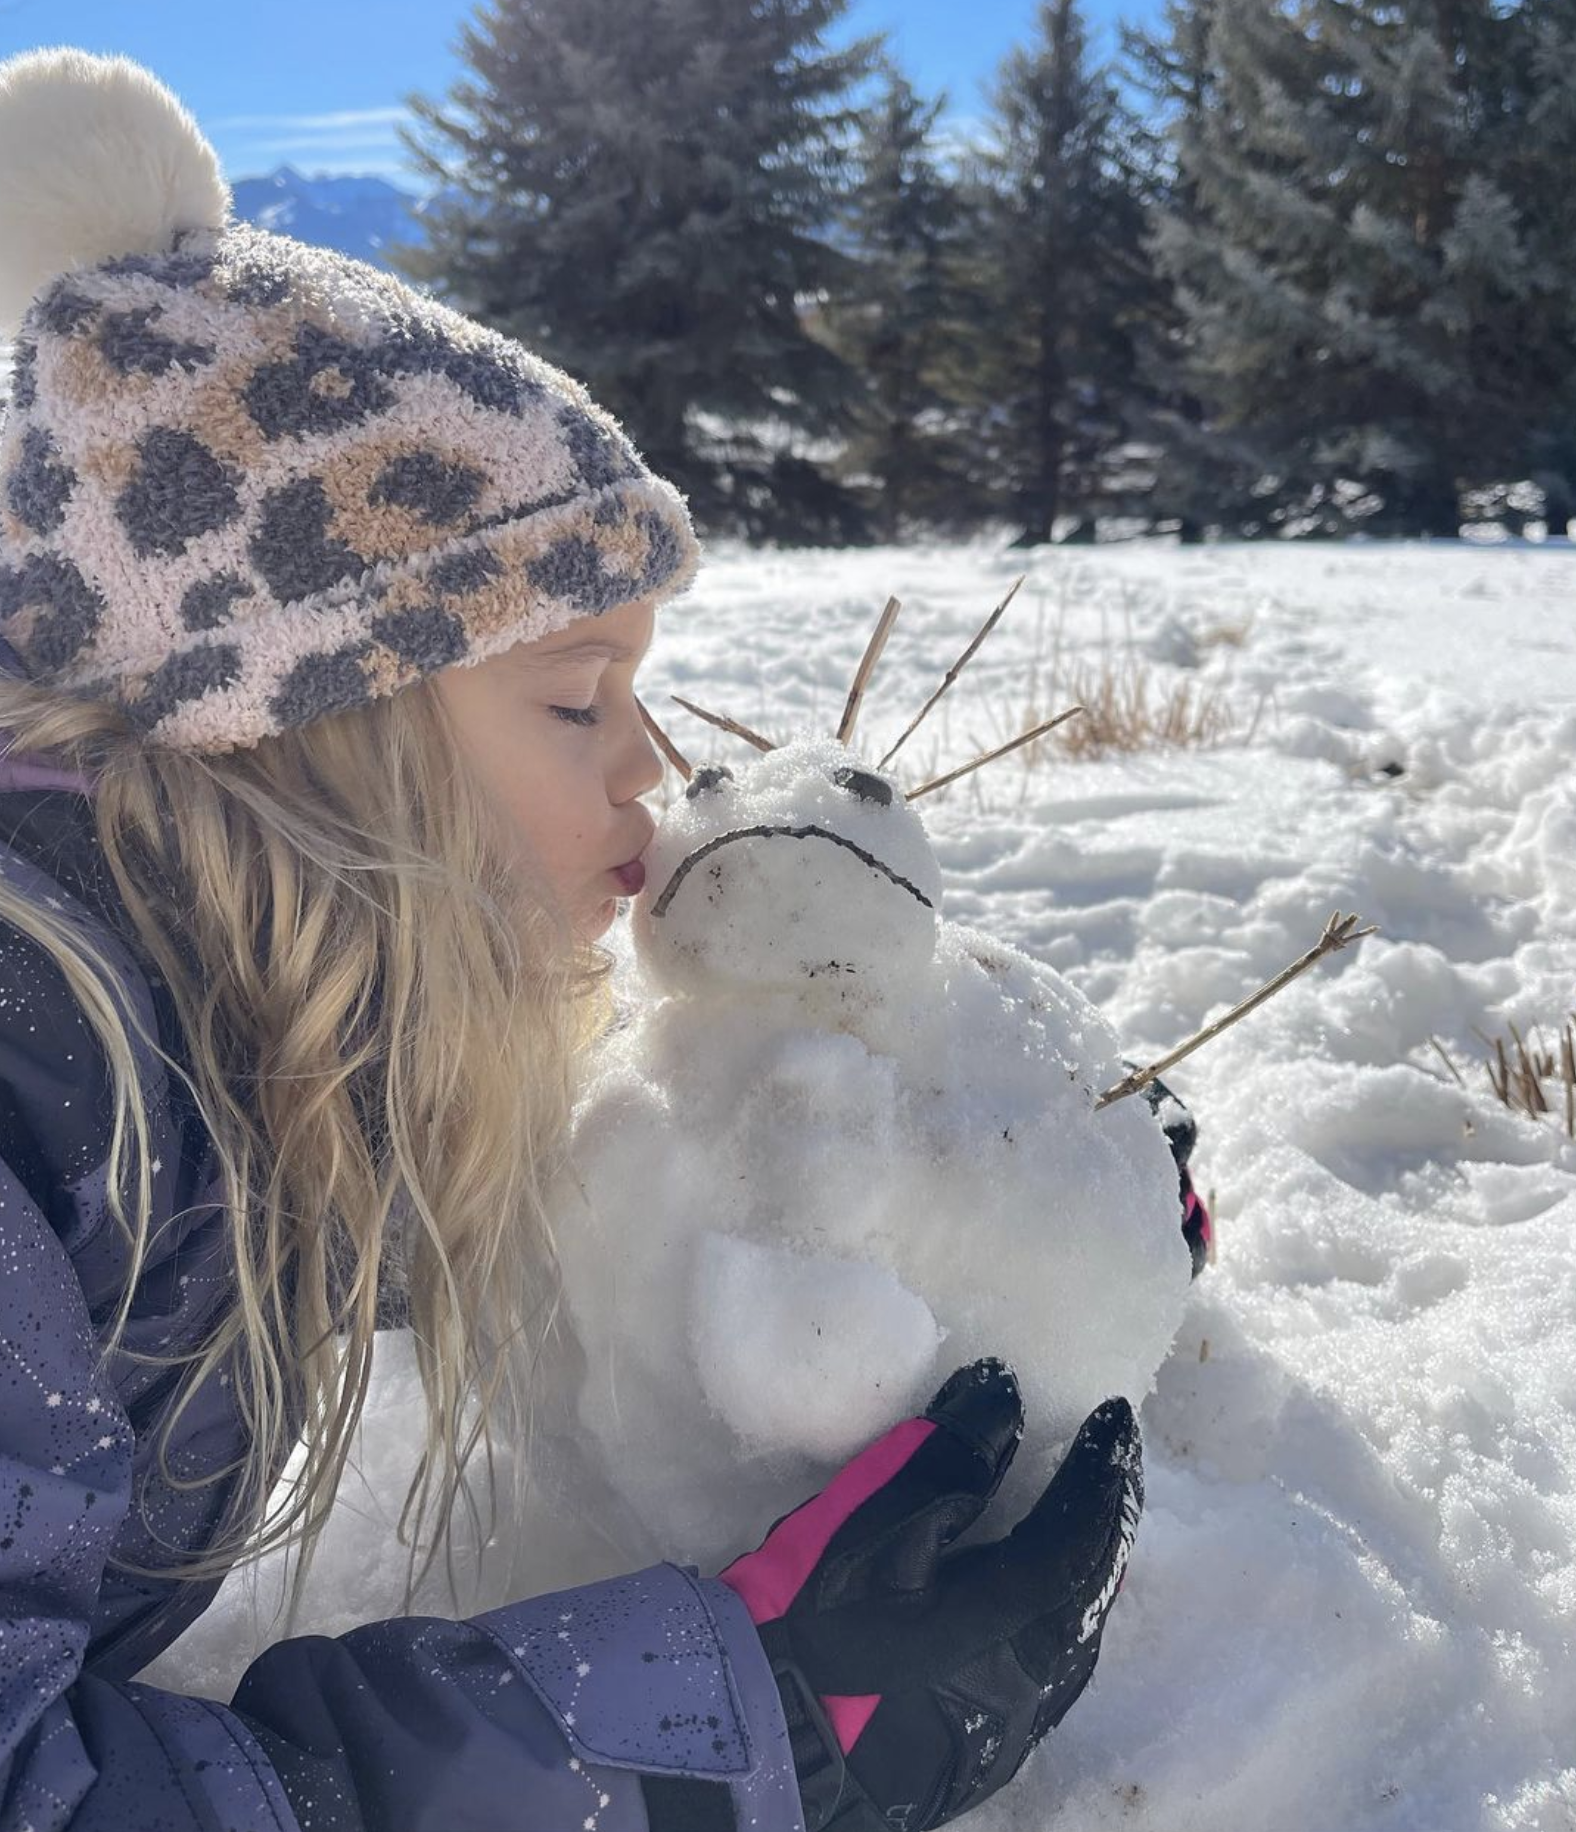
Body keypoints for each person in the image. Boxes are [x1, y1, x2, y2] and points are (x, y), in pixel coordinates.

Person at [0, 47, 1202, 1832]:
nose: (655, 780)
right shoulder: (34, 1103)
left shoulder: (200, 1042)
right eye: (575, 704)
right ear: (304, 731)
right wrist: (739, 1730)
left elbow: (436, 1215)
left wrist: (1006, 1184)